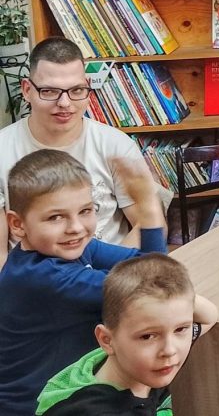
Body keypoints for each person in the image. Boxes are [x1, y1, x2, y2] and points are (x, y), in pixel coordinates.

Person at [0, 151, 168, 414]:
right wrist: (148, 207)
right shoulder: (44, 277)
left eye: (85, 211)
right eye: (55, 217)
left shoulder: (73, 247)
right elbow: (152, 290)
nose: (76, 227)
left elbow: (153, 269)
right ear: (18, 224)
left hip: (72, 392)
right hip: (40, 407)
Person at [0, 38, 165, 269]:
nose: (65, 103)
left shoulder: (115, 145)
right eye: (50, 91)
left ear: (87, 87)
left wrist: (116, 280)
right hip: (34, 281)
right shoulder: (3, 149)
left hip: (111, 274)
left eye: (76, 90)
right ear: (27, 90)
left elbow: (147, 223)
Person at [36, 254, 218, 415]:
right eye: (147, 337)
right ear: (106, 340)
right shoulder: (98, 410)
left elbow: (209, 317)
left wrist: (169, 294)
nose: (170, 350)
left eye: (180, 329)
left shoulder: (133, 358)